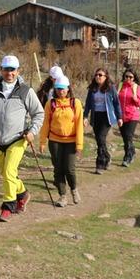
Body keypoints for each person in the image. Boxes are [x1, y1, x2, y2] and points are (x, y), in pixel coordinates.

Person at [0, 55, 45, 222]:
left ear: (18, 71)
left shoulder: (26, 91)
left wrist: (33, 131)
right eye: (6, 69)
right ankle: (23, 193)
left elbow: (38, 113)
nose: (9, 73)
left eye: (12, 70)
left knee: (8, 172)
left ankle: (8, 206)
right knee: (7, 173)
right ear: (1, 70)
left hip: (18, 139)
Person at [38, 76, 84, 207]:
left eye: (63, 88)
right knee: (58, 169)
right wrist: (42, 142)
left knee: (69, 169)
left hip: (71, 141)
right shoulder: (50, 104)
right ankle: (62, 196)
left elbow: (79, 125)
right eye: (58, 89)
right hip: (55, 141)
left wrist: (79, 145)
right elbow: (45, 124)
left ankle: (74, 189)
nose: (60, 91)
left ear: (68, 89)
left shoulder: (76, 103)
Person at [83, 67, 123, 174]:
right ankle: (107, 157)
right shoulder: (92, 89)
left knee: (101, 138)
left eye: (100, 75)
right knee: (99, 140)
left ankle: (100, 164)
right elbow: (87, 104)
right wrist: (85, 117)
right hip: (96, 116)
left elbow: (116, 103)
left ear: (106, 77)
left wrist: (119, 117)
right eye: (96, 75)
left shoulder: (111, 88)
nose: (98, 77)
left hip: (107, 117)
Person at [117, 69, 140, 167]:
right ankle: (132, 151)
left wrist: (136, 100)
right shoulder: (120, 86)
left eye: (130, 77)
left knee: (128, 136)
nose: (128, 78)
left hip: (133, 115)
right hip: (121, 115)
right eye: (126, 76)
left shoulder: (137, 87)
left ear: (134, 78)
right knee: (125, 137)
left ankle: (127, 157)